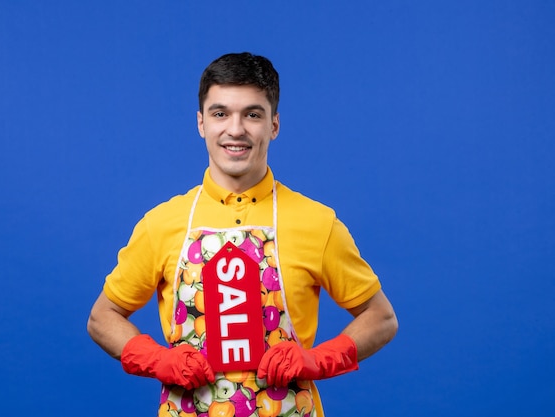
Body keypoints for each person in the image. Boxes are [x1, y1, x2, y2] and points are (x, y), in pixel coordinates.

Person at [87, 52, 398, 417]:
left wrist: (318, 360)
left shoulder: (318, 223)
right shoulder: (161, 223)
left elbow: (381, 317)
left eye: (252, 114)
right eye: (220, 113)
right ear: (201, 123)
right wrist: (156, 359)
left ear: (274, 125)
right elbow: (102, 317)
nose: (235, 129)